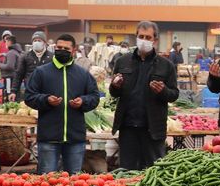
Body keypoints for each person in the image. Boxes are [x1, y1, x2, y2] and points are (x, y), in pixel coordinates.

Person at [24, 34, 100, 174]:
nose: (62, 50)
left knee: (74, 183)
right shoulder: (42, 72)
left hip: (75, 138)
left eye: (66, 48)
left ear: (73, 50)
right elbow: (29, 96)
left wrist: (83, 101)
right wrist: (46, 100)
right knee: (47, 181)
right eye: (59, 47)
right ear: (54, 47)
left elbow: (94, 97)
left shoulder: (82, 74)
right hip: (48, 137)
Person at [110, 21, 179, 170]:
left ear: (155, 40)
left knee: (154, 171)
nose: (144, 40)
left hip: (153, 129)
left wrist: (163, 90)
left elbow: (174, 94)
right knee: (127, 171)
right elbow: (114, 93)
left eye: (148, 37)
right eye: (141, 36)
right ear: (136, 37)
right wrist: (115, 85)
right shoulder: (122, 61)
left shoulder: (166, 65)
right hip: (128, 128)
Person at [9, 31, 52, 102]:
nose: (37, 42)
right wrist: (13, 91)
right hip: (30, 91)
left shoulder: (51, 57)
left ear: (44, 42)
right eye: (35, 40)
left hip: (47, 92)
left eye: (39, 40)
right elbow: (18, 75)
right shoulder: (25, 56)